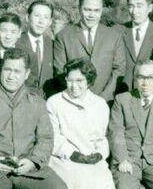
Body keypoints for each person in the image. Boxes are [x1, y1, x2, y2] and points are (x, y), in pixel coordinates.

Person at [0, 48, 67, 189]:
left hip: (29, 170)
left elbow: (46, 138)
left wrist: (33, 161)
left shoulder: (37, 101)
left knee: (58, 187)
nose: (11, 76)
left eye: (17, 71)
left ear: (27, 74)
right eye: (7, 70)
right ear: (1, 70)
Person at [108, 60, 153, 189]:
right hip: (129, 160)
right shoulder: (122, 100)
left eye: (151, 78)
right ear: (135, 79)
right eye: (141, 77)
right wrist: (122, 159)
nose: (145, 83)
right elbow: (116, 133)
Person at [46, 58, 115, 189]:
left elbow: (102, 138)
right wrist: (74, 155)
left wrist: (99, 154)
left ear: (88, 81)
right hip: (64, 160)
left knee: (104, 182)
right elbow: (54, 137)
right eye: (70, 80)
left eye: (79, 80)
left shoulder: (100, 104)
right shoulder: (54, 102)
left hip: (93, 160)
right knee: (79, 182)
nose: (74, 86)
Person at [53, 0, 125, 102]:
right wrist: (77, 97)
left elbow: (119, 70)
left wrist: (102, 99)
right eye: (87, 10)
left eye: (96, 10)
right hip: (72, 101)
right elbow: (60, 71)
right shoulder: (64, 36)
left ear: (102, 10)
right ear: (79, 9)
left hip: (105, 102)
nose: (92, 15)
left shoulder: (114, 36)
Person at [16, 0, 56, 97]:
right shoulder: (16, 42)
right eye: (37, 16)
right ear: (27, 17)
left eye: (46, 17)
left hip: (46, 101)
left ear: (50, 22)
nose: (41, 21)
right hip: (21, 99)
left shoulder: (54, 45)